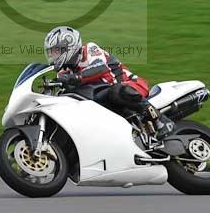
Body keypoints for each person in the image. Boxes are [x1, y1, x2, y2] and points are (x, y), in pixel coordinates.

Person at [43, 25, 174, 140]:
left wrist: (76, 78)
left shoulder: (89, 50)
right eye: (51, 52)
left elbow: (100, 67)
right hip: (106, 100)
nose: (53, 56)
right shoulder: (64, 73)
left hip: (130, 85)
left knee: (116, 92)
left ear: (68, 46)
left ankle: (160, 120)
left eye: (56, 51)